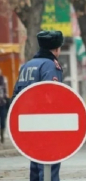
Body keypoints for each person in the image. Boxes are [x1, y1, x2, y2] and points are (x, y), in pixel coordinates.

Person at [11, 30, 63, 181]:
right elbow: (52, 96)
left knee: (35, 166)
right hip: (45, 124)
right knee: (49, 167)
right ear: (57, 49)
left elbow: (15, 95)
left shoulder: (27, 65)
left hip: (28, 124)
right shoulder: (50, 65)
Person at [0, 69, 7, 143]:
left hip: (2, 103)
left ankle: (2, 136)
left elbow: (6, 90)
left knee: (3, 121)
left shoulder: (3, 79)